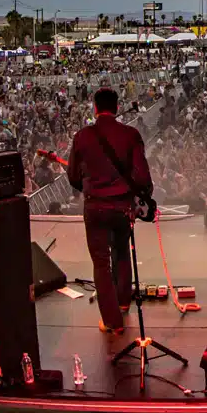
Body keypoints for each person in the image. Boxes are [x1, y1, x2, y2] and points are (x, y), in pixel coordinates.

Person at [67, 87, 151, 335]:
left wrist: (91, 185)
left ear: (95, 108)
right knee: (122, 251)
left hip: (94, 207)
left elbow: (73, 176)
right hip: (122, 206)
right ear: (116, 107)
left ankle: (113, 322)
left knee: (101, 263)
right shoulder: (131, 135)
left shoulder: (82, 136)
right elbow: (143, 177)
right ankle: (124, 302)